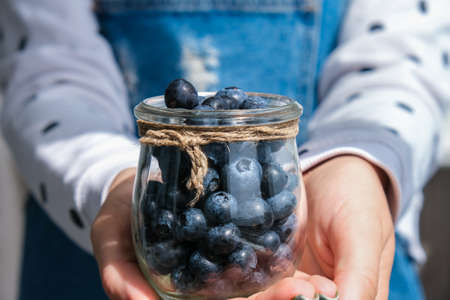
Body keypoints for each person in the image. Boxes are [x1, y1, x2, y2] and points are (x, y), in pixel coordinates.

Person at [1, 0, 449, 299]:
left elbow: (407, 54)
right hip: (89, 240)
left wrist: (357, 159)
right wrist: (114, 179)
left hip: (328, 246)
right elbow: (43, 61)